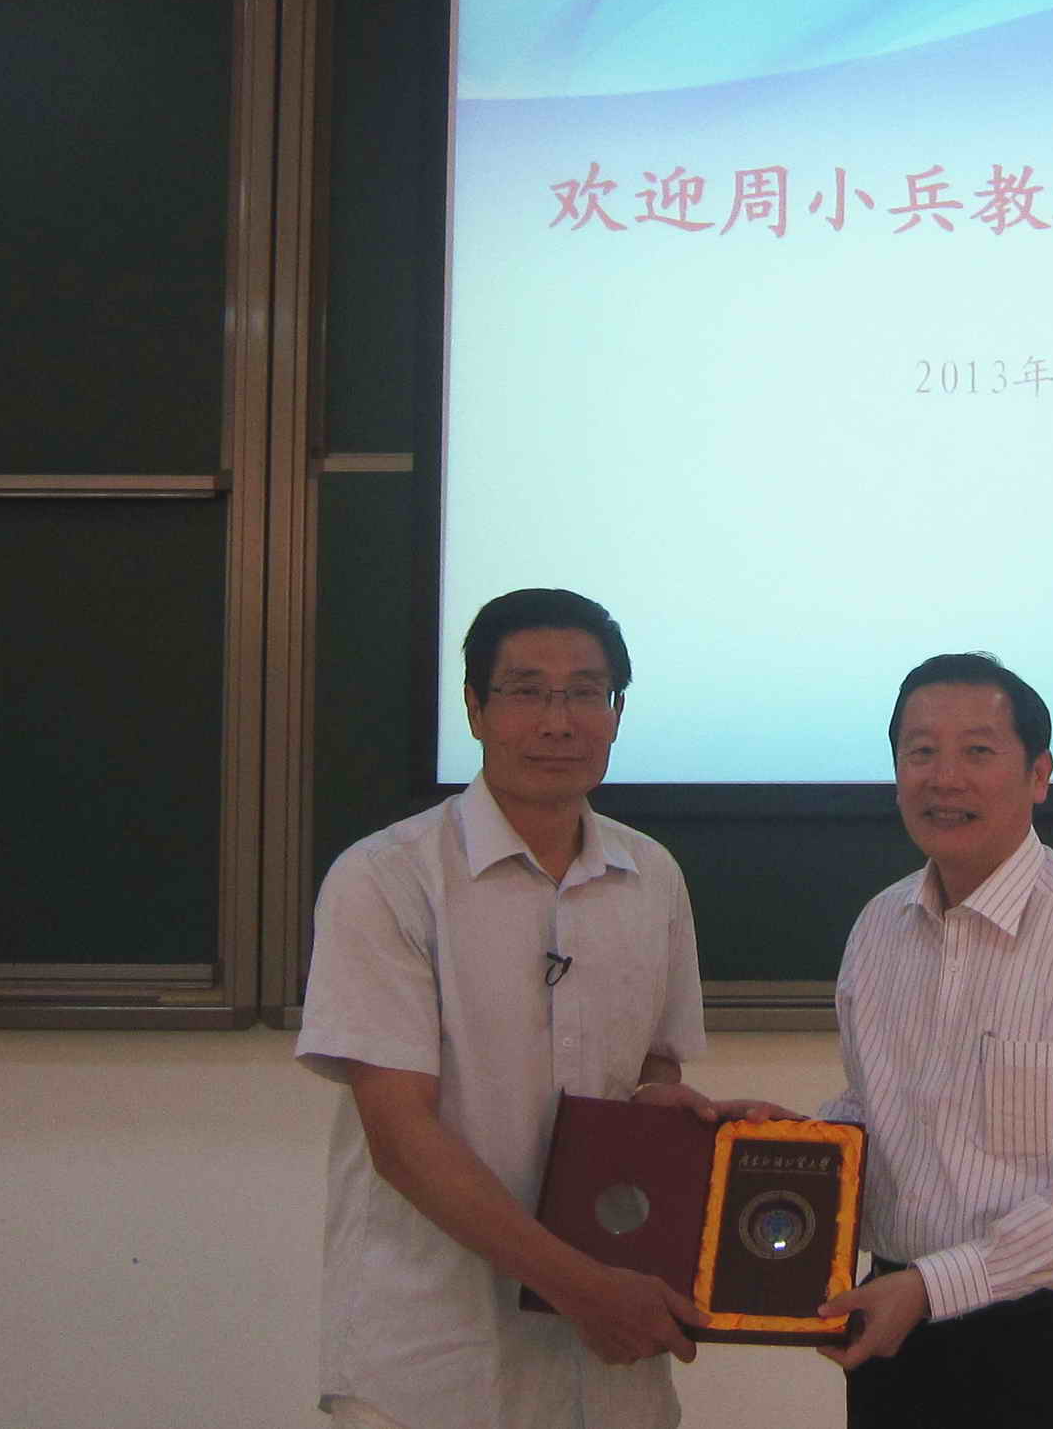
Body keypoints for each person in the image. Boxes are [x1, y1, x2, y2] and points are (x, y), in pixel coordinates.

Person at [296, 588, 765, 1429]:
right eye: (526, 692)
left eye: (586, 693)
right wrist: (578, 1287)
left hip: (611, 1366)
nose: (559, 722)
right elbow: (400, 1137)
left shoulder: (651, 876)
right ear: (475, 709)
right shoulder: (387, 879)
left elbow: (650, 1070)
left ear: (617, 713)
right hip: (434, 1362)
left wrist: (671, 1116)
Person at [814, 652, 1053, 1429]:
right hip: (890, 1325)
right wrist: (786, 1148)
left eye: (977, 751)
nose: (943, 778)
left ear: (1038, 774)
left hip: (1040, 1341)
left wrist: (937, 1286)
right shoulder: (878, 927)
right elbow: (876, 1105)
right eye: (920, 752)